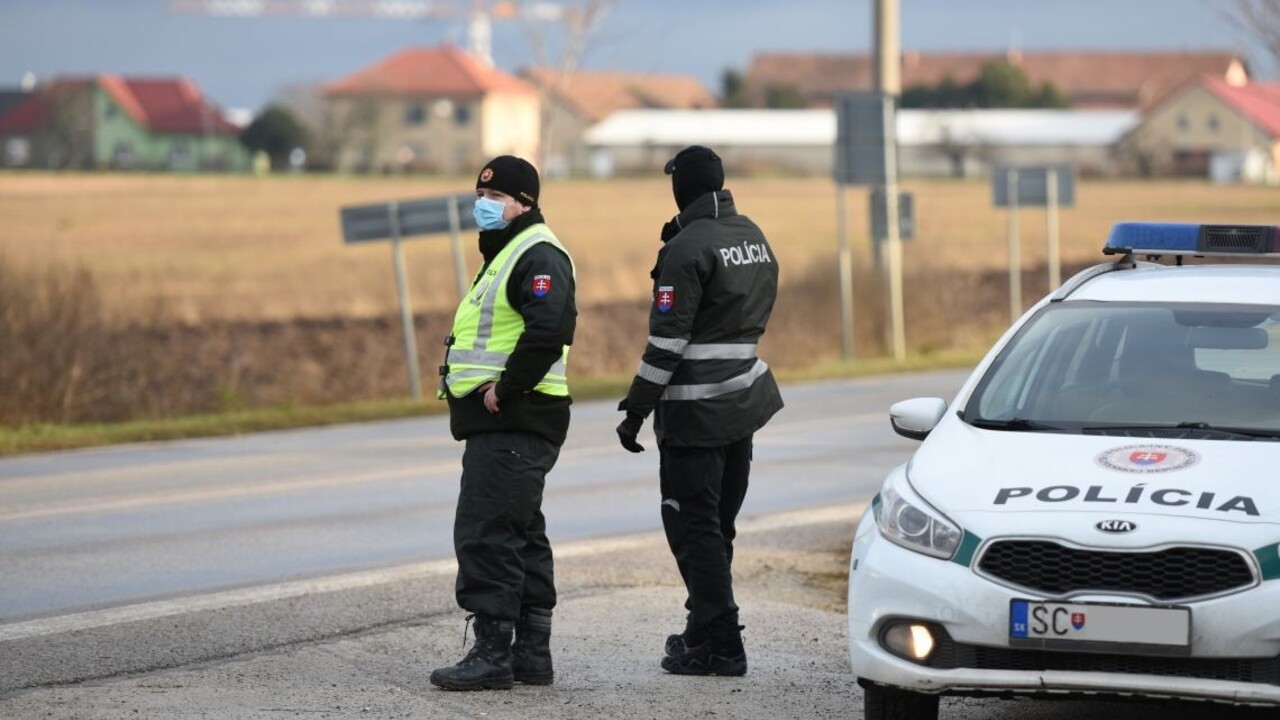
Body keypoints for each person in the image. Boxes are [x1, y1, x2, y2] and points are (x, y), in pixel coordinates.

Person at [616, 145, 783, 676]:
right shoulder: (752, 235)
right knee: (717, 527)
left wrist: (636, 409)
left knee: (692, 528)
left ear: (680, 188)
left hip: (696, 414)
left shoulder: (686, 249)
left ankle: (725, 644)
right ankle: (700, 633)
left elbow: (666, 344)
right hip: (743, 403)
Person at [430, 155, 577, 691]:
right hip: (508, 421)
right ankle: (530, 655)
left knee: (486, 530)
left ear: (525, 204)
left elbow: (550, 328)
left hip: (515, 416)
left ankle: (492, 655)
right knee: (521, 533)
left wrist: (506, 388)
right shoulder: (507, 252)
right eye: (481, 195)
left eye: (495, 198)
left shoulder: (536, 253)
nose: (483, 205)